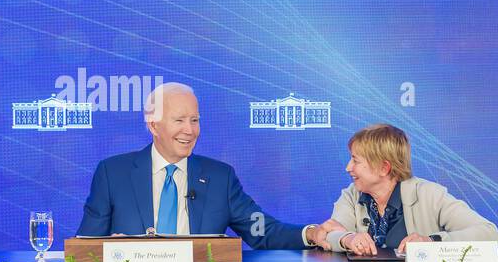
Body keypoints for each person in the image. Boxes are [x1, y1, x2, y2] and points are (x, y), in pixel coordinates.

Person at [76, 82, 330, 249]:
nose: (190, 130)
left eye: (195, 120)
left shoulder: (220, 177)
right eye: (179, 120)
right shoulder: (113, 173)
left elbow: (262, 230)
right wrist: (108, 247)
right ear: (153, 126)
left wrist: (310, 233)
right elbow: (85, 246)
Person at [321, 123, 496, 254]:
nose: (348, 167)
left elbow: (489, 234)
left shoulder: (430, 195)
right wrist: (348, 238)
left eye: (355, 161)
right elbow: (330, 233)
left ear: (384, 168)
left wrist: (431, 241)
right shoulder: (352, 194)